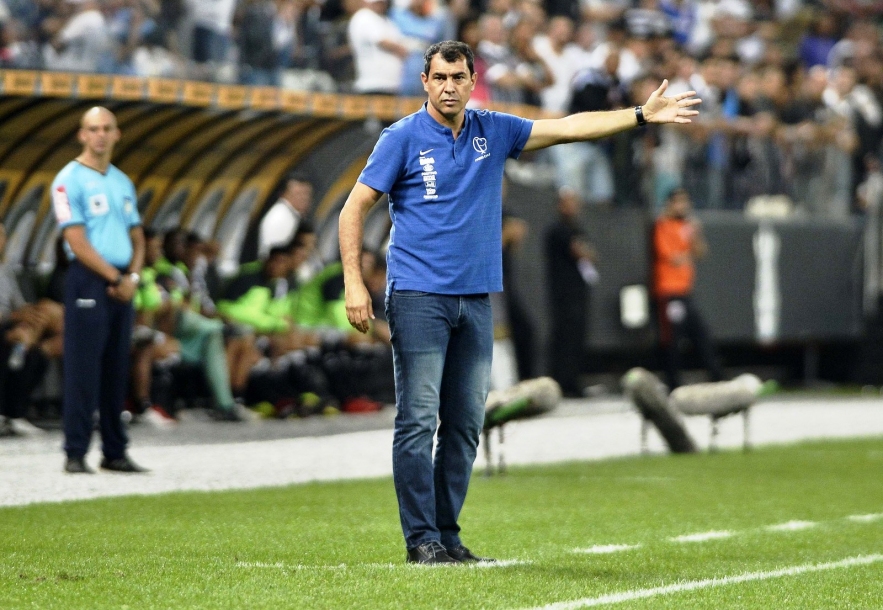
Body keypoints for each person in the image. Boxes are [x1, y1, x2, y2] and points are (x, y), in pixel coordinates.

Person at [338, 40, 700, 564]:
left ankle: (447, 536)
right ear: (424, 82)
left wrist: (640, 115)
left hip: (475, 299)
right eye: (439, 78)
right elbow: (353, 208)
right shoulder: (401, 138)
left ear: (472, 82)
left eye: (458, 78)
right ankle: (421, 541)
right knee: (417, 420)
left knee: (466, 424)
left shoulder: (494, 130)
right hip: (418, 295)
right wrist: (354, 282)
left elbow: (569, 127)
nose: (448, 87)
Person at [52, 106, 147, 474]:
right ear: (82, 135)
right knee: (83, 368)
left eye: (107, 128)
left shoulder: (122, 181)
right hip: (89, 279)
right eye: (93, 129)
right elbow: (76, 241)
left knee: (116, 367)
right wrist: (114, 278)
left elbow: (137, 236)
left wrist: (132, 277)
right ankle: (75, 452)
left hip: (122, 281)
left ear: (117, 134)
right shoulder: (68, 180)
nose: (101, 135)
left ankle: (115, 450)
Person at [652, 187, 724, 390]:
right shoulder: (662, 226)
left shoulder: (687, 226)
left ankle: (717, 378)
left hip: (684, 291)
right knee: (672, 341)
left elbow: (702, 252)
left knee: (702, 334)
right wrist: (688, 254)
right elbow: (673, 258)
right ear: (670, 204)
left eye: (686, 202)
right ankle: (673, 384)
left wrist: (696, 234)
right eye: (679, 202)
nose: (683, 206)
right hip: (668, 292)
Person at [544, 187, 598, 397]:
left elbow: (591, 255)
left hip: (578, 292)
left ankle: (573, 380)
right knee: (564, 337)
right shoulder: (558, 230)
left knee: (576, 337)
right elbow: (581, 251)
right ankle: (561, 382)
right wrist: (585, 251)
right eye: (569, 203)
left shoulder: (576, 228)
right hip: (564, 294)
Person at [257, 173, 313, 260]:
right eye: (298, 194)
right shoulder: (279, 218)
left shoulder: (293, 216)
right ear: (284, 194)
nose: (304, 198)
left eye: (306, 194)